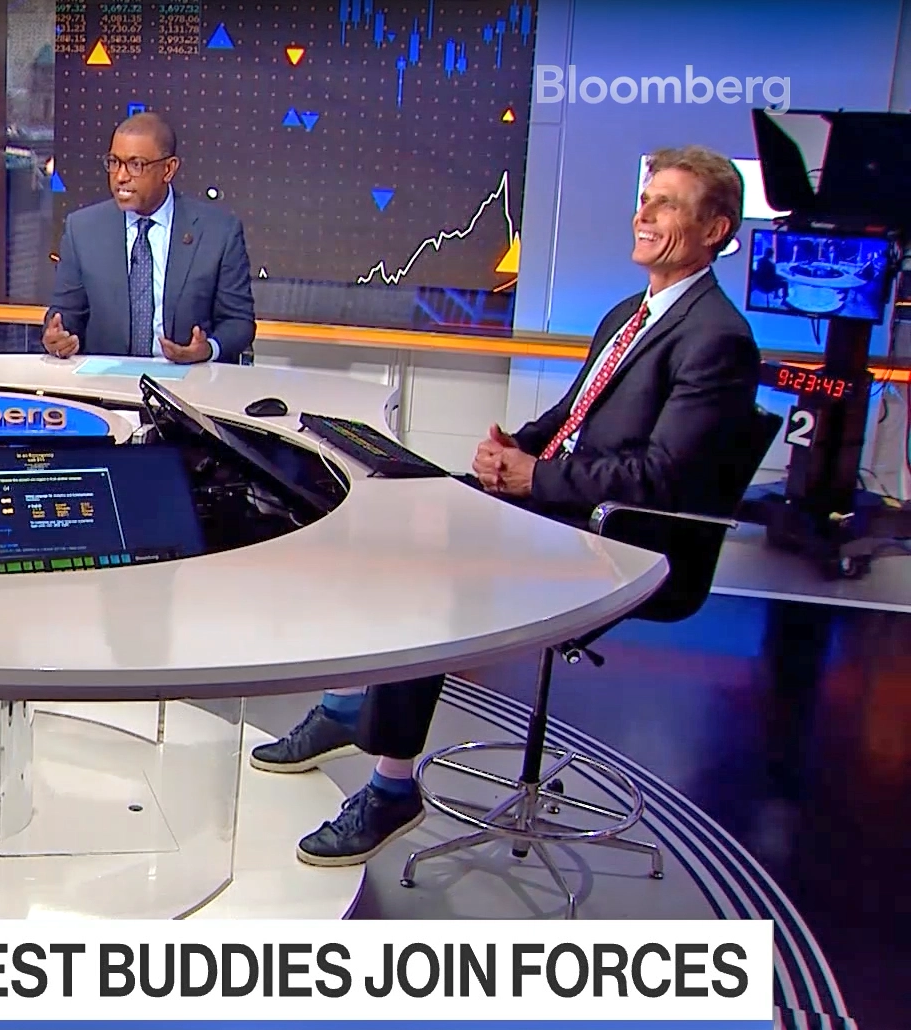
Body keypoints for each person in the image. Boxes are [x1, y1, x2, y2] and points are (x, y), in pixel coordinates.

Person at [250, 144, 764, 867]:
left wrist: (533, 479)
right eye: (645, 201)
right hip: (559, 507)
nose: (644, 214)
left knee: (428, 567)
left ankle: (393, 787)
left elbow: (662, 480)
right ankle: (342, 707)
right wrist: (510, 451)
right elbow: (568, 418)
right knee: (385, 514)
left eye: (667, 205)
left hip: (622, 541)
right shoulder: (630, 311)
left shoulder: (718, 338)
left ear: (715, 229)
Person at [43, 111, 255, 364]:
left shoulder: (219, 232)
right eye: (114, 162)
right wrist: (56, 337)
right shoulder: (83, 229)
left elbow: (239, 322)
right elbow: (65, 313)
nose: (121, 176)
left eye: (136, 165)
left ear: (168, 169)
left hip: (189, 381)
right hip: (105, 384)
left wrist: (207, 349)